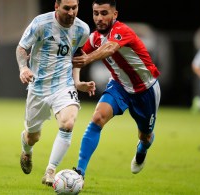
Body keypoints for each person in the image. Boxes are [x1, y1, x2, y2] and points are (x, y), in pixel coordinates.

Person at [71, 0, 161, 178]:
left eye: (104, 13)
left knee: (145, 136)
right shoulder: (94, 38)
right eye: (96, 13)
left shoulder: (122, 31)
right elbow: (77, 57)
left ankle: (142, 149)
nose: (99, 18)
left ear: (115, 15)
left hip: (146, 90)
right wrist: (77, 81)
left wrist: (88, 59)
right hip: (119, 86)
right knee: (97, 118)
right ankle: (79, 172)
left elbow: (110, 48)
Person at [16, 0, 95, 186]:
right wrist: (23, 68)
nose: (71, 12)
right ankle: (26, 149)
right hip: (38, 88)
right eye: (67, 8)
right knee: (32, 137)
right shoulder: (41, 23)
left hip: (63, 85)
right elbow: (21, 48)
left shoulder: (82, 29)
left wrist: (77, 83)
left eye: (74, 7)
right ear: (56, 6)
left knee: (68, 123)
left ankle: (50, 172)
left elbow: (76, 56)